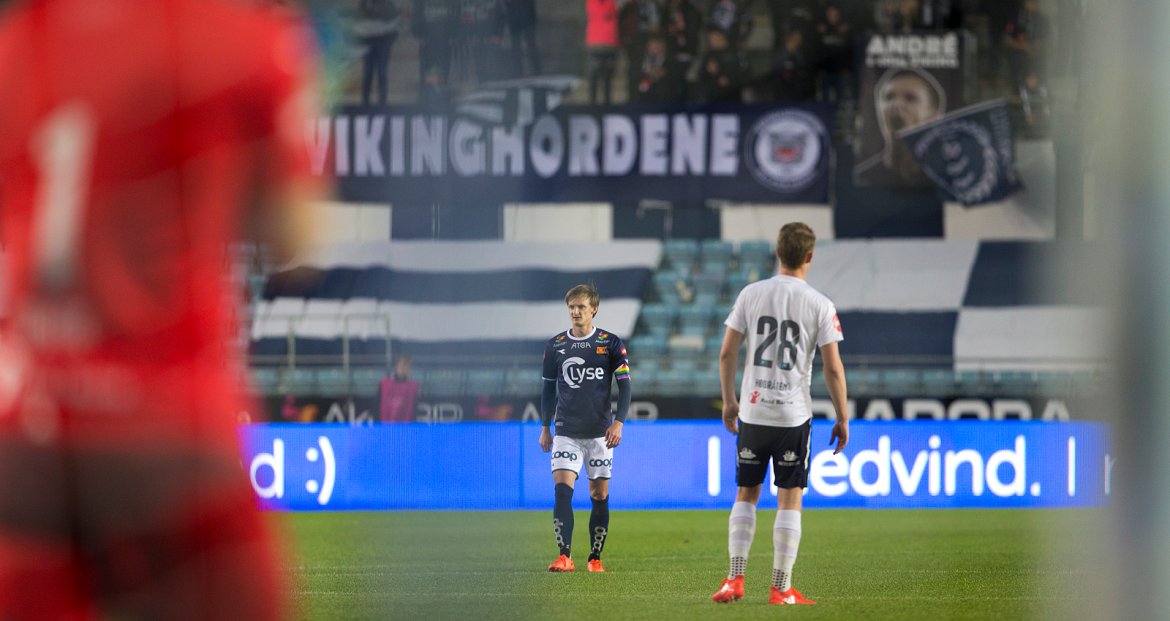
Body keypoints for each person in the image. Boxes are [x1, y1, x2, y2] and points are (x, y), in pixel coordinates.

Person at [0, 0, 323, 618]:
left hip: (31, 449)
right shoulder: (239, 42)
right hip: (174, 445)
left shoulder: (16, 45)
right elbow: (295, 240)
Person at [710, 223, 849, 606]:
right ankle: (780, 587)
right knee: (790, 497)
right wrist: (842, 416)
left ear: (777, 251)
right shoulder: (820, 303)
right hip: (792, 416)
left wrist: (729, 401)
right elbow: (833, 368)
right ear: (809, 256)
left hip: (753, 411)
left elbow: (726, 353)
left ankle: (735, 579)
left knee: (746, 493)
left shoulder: (751, 294)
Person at [540, 284, 631, 573]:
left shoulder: (611, 343)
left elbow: (625, 386)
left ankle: (595, 557)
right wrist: (545, 427)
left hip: (600, 434)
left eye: (581, 307)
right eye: (571, 307)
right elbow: (547, 390)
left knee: (599, 494)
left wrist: (619, 422)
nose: (575, 312)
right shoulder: (555, 345)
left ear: (594, 309)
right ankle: (564, 555)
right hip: (566, 431)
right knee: (562, 490)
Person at [853, 67, 945, 188]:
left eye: (910, 98)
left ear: (934, 116)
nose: (896, 104)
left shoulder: (947, 179)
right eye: (889, 97)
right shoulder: (863, 177)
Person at [358, 0, 401, 105]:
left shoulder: (389, 5)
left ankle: (382, 102)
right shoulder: (364, 3)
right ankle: (365, 102)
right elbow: (358, 22)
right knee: (367, 74)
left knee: (382, 74)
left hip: (383, 45)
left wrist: (389, 41)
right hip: (367, 45)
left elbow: (395, 24)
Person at [585, 0, 620, 104]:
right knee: (594, 75)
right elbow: (605, 12)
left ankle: (607, 103)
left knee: (608, 76)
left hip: (610, 43)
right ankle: (592, 103)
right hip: (596, 44)